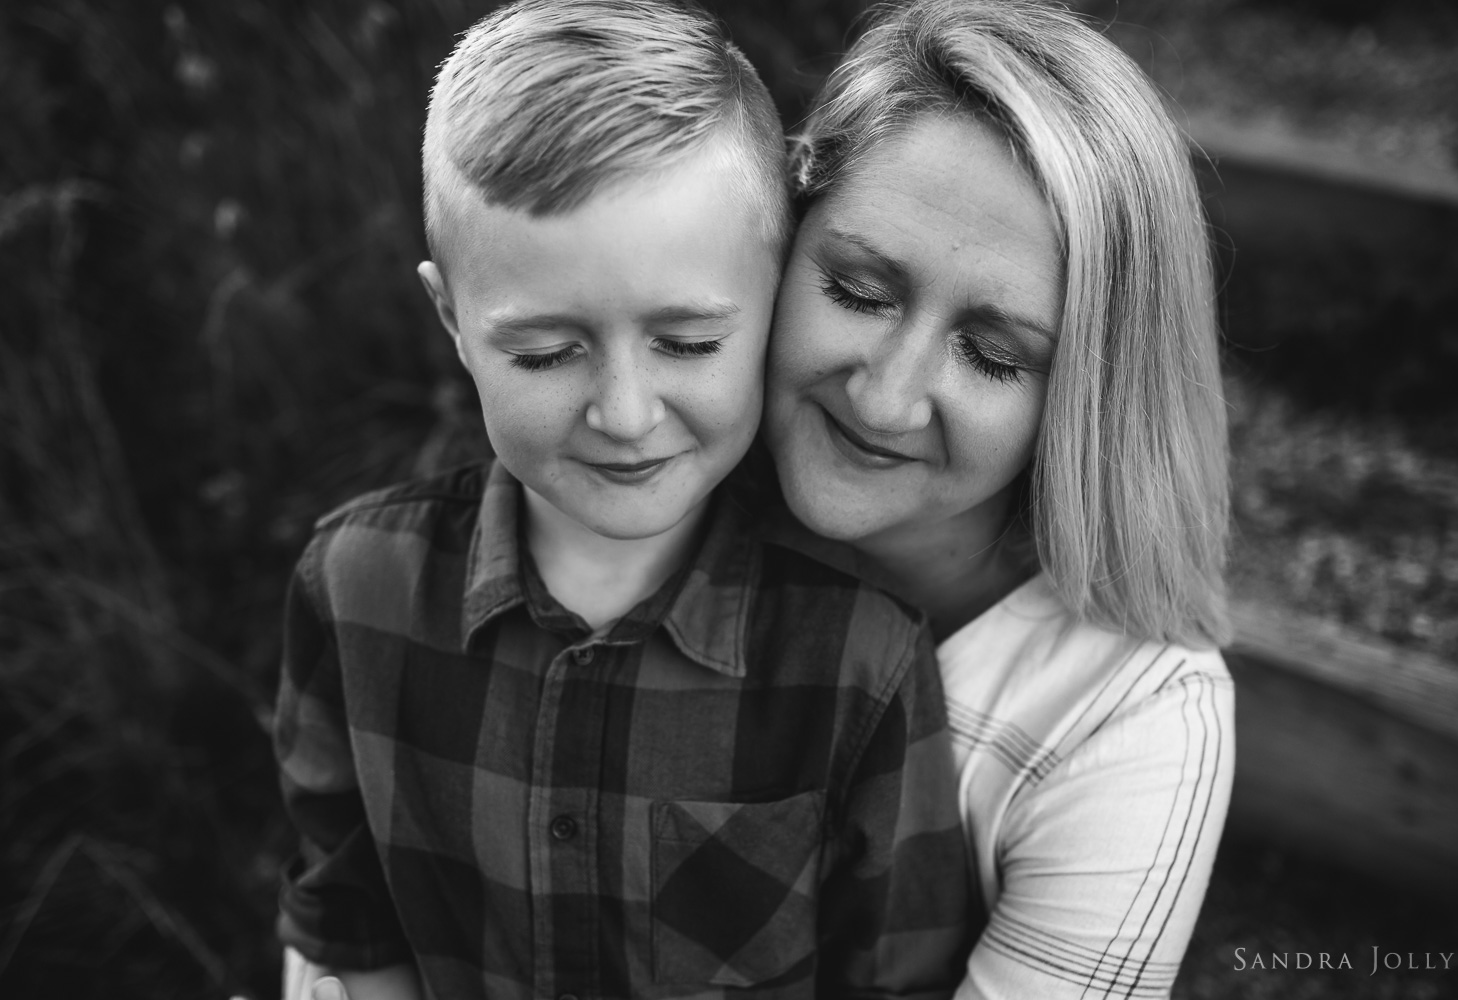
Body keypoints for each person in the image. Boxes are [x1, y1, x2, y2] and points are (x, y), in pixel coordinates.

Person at [271, 2, 973, 999]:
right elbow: (349, 923)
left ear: (774, 299)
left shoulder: (860, 657)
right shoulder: (355, 589)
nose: (627, 413)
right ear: (453, 322)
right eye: (548, 351)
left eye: (687, 343)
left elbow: (897, 975)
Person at [763, 1, 1236, 997]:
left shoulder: (1133, 714)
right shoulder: (655, 489)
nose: (885, 397)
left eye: (992, 354)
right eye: (857, 290)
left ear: (1087, 400)